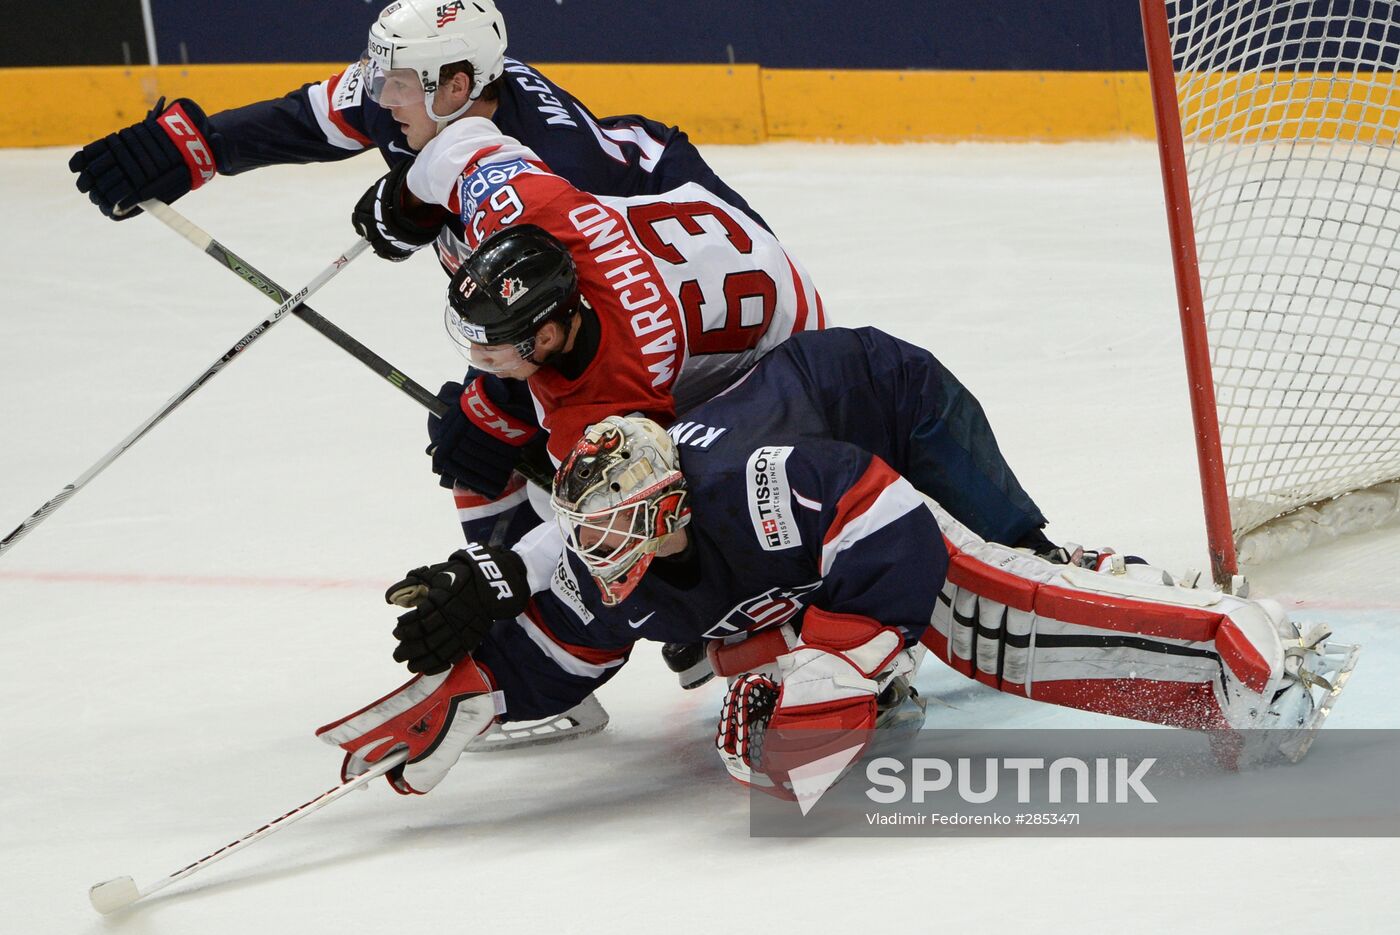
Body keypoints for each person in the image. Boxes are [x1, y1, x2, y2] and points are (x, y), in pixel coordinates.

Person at [316, 328, 1358, 797]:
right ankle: (881, 668)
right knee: (756, 700)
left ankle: (1250, 655)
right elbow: (566, 645)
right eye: (587, 537)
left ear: (671, 502)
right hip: (806, 561)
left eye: (618, 529)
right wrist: (482, 684)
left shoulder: (754, 487)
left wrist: (847, 651)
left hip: (874, 459)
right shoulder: (610, 551)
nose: (601, 556)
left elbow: (885, 518)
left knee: (1000, 622)